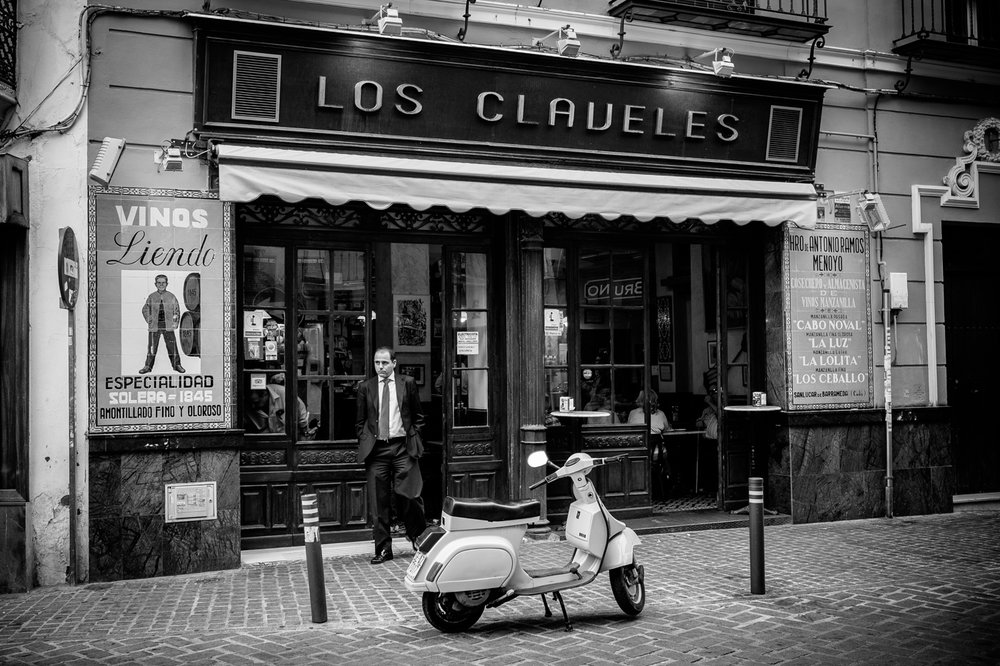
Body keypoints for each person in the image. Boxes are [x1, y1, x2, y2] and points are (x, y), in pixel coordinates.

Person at [356, 346, 426, 564]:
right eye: (377, 363)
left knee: (411, 495)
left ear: (394, 363)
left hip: (403, 447)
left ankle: (418, 538)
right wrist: (365, 438)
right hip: (377, 450)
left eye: (384, 363)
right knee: (379, 501)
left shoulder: (408, 383)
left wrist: (414, 436)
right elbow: (360, 421)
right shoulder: (365, 387)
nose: (380, 367)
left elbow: (418, 416)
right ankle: (383, 548)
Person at [139, 274, 184, 374]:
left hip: (168, 326)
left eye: (163, 282)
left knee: (172, 346)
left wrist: (175, 323)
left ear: (167, 284)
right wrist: (149, 319)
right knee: (152, 347)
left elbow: (176, 311)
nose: (161, 284)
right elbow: (145, 309)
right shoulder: (151, 296)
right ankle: (147, 366)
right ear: (155, 284)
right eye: (159, 283)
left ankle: (177, 365)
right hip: (154, 326)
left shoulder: (171, 296)